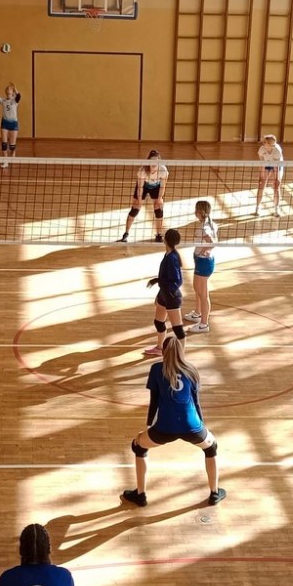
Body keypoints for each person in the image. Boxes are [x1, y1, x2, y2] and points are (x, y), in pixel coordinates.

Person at [121, 336, 226, 507]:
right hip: (192, 427)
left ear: (163, 351)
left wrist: (147, 427)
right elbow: (196, 402)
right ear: (181, 351)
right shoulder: (191, 370)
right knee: (211, 447)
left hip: (164, 428)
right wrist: (202, 425)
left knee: (138, 446)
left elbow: (154, 401)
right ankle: (214, 493)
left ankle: (140, 494)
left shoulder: (156, 369)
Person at [143, 228, 184, 357]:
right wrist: (158, 284)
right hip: (164, 294)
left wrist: (169, 293)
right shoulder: (169, 254)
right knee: (159, 322)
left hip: (171, 297)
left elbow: (177, 280)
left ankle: (181, 357)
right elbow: (166, 278)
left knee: (178, 329)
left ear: (165, 240)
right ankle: (160, 348)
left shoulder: (172, 258)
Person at [119, 150, 169, 243]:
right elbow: (140, 187)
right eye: (152, 161)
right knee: (135, 208)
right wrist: (139, 199)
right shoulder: (143, 170)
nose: (153, 164)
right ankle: (126, 234)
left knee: (158, 209)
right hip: (144, 186)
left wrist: (159, 198)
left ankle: (159, 235)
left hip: (156, 187)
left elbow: (163, 186)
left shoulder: (163, 170)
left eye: (156, 161)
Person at [184, 200, 218, 334]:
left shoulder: (204, 228)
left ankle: (204, 324)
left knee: (203, 294)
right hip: (202, 261)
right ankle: (197, 314)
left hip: (204, 262)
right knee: (197, 289)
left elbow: (213, 242)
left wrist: (206, 250)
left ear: (198, 212)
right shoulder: (211, 223)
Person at [0, 78, 20, 168]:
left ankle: (13, 152)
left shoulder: (15, 100)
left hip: (13, 124)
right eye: (8, 89)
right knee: (4, 144)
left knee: (12, 146)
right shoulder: (2, 100)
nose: (8, 90)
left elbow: (19, 96)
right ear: (6, 91)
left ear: (12, 92)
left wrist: (15, 88)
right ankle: (5, 162)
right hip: (5, 123)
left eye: (10, 89)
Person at [255, 134, 284, 216]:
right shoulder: (262, 149)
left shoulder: (277, 151)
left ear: (270, 144)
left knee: (276, 185)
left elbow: (276, 167)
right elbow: (262, 163)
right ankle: (257, 208)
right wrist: (261, 176)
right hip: (266, 163)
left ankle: (276, 209)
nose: (263, 143)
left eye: (265, 142)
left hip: (277, 164)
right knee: (261, 184)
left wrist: (277, 179)